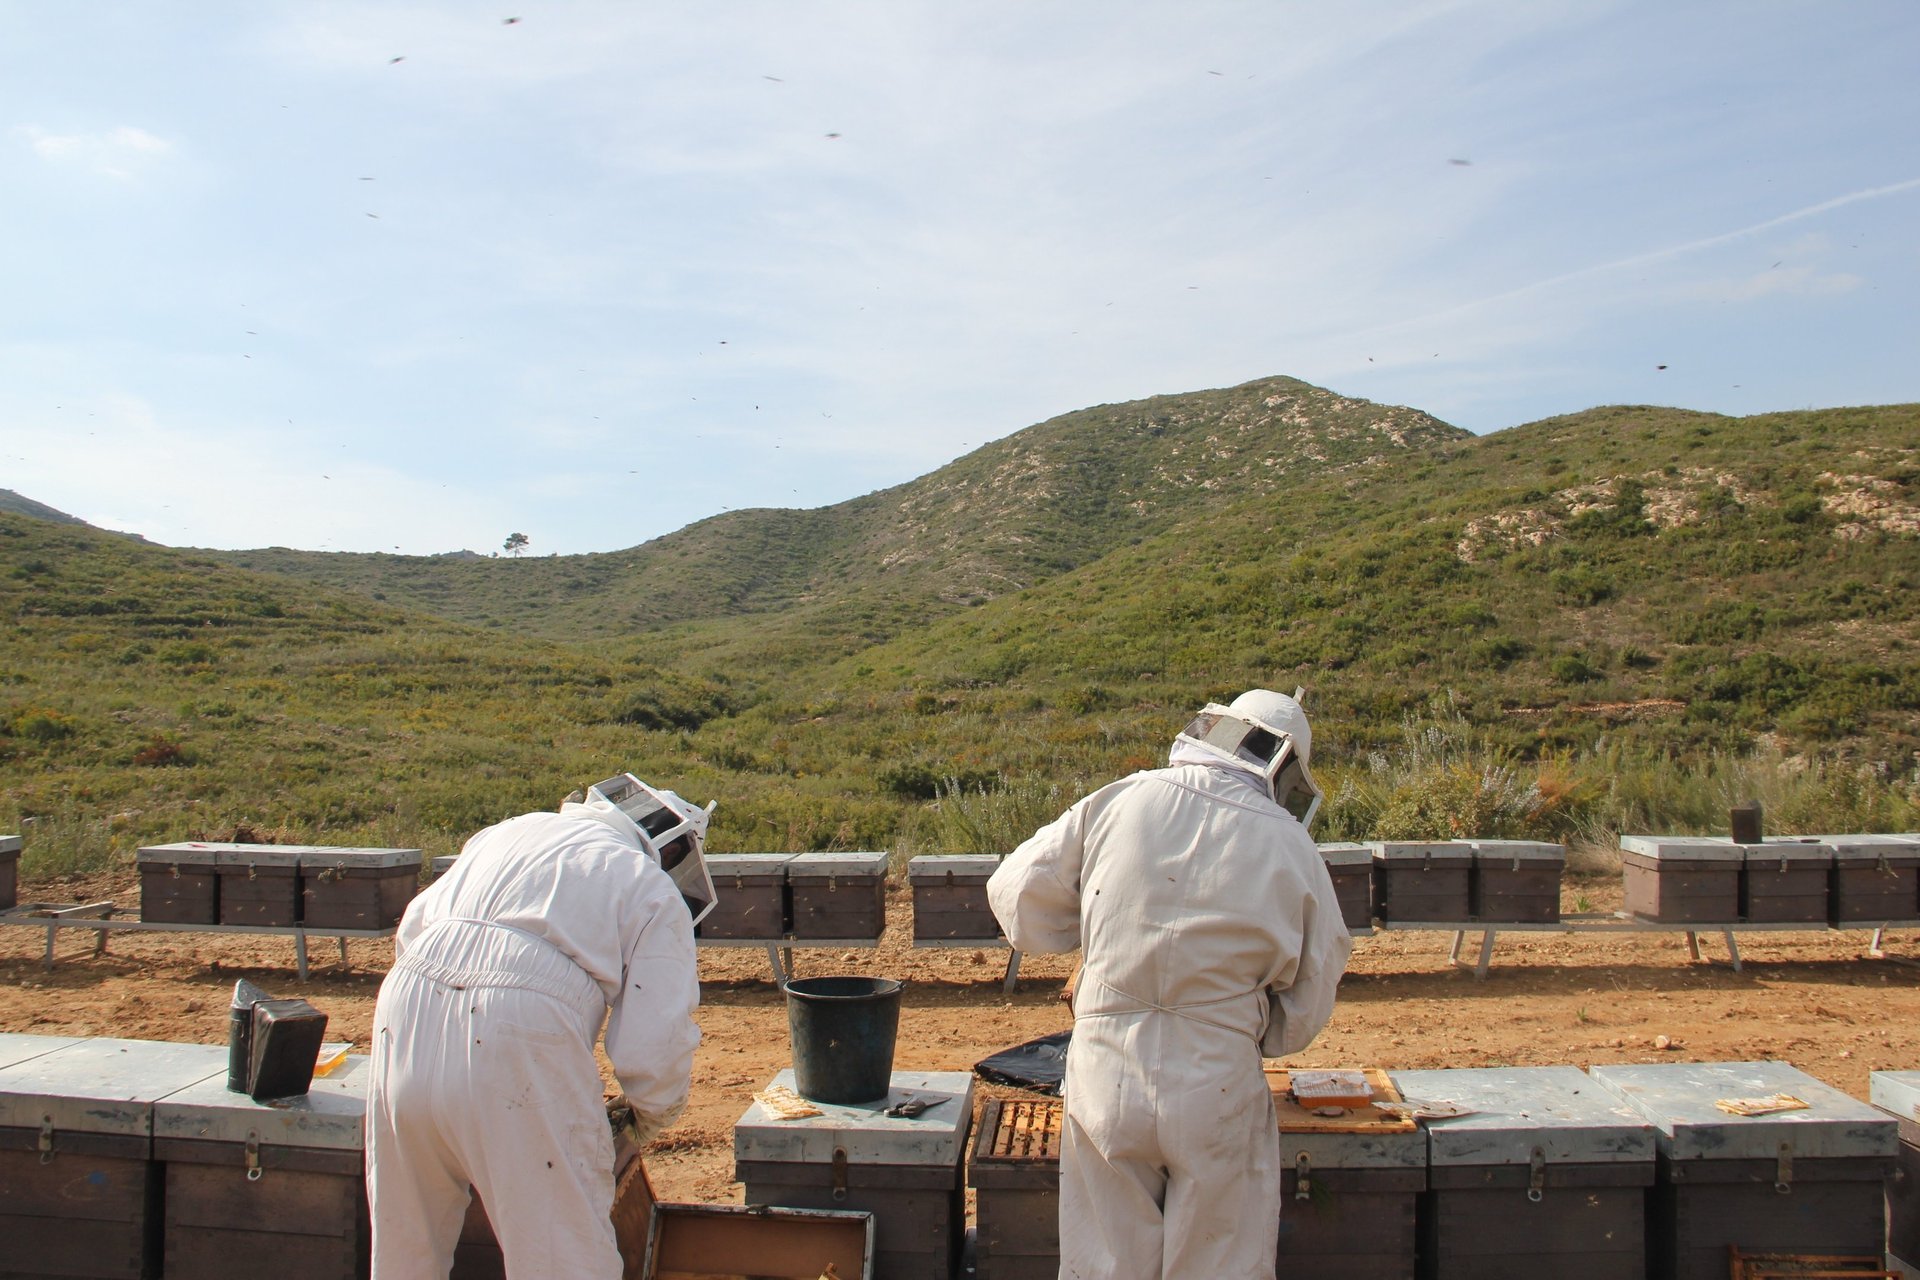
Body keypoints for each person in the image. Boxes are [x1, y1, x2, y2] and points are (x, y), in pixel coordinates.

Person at [987, 689, 1351, 1280]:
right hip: (1217, 1083)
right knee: (1216, 1264)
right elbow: (1309, 999)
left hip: (1106, 1072)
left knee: (1106, 1263)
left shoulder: (1121, 798)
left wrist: (1091, 940)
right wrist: (1245, 1029)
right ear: (1285, 767)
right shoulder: (1292, 845)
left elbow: (1017, 897)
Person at [364, 773, 717, 1280]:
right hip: (517, 1033)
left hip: (402, 1008)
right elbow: (655, 1039)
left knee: (405, 1250)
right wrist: (649, 1113)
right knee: (564, 1259)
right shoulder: (647, 883)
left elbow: (415, 925)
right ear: (669, 844)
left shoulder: (510, 830)